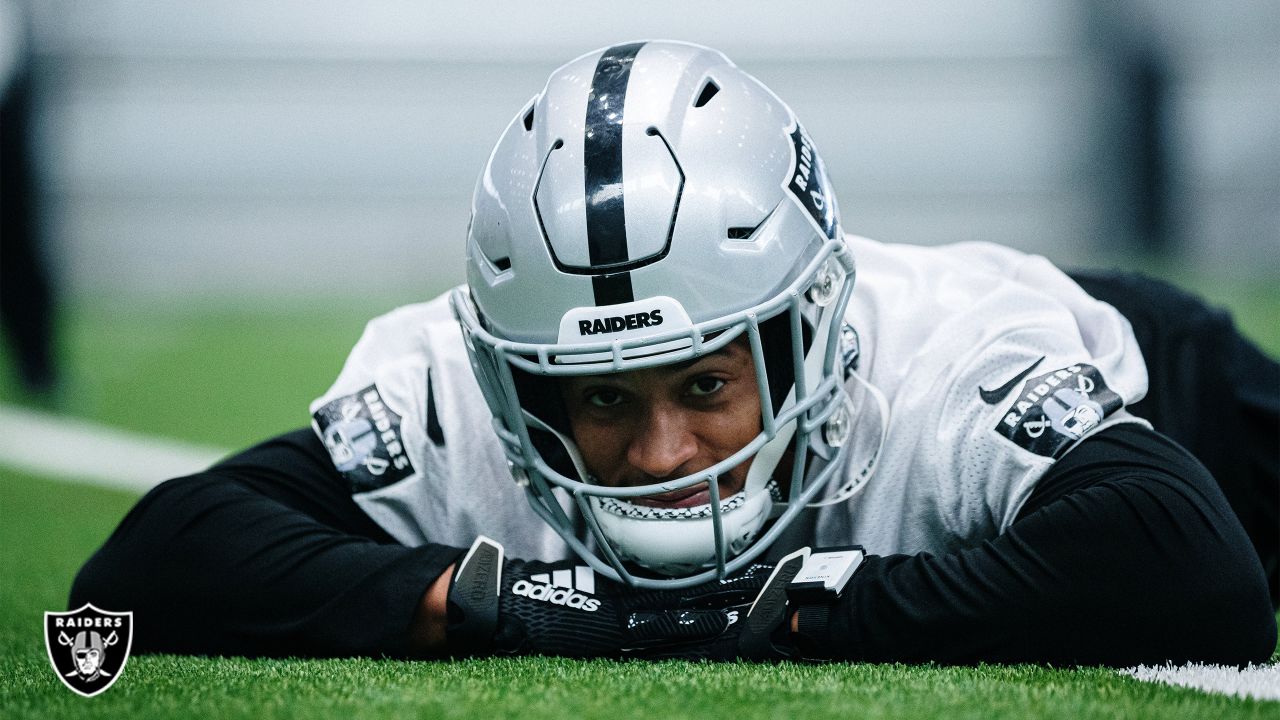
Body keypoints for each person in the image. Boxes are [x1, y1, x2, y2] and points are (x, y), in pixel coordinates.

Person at [70, 40, 1277, 666]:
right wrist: (499, 604)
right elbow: (150, 564)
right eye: (596, 398)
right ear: (514, 378)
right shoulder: (453, 390)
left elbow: (1193, 572)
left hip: (1156, 377)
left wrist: (823, 606)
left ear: (810, 334)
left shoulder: (943, 362)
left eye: (705, 383)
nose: (660, 453)